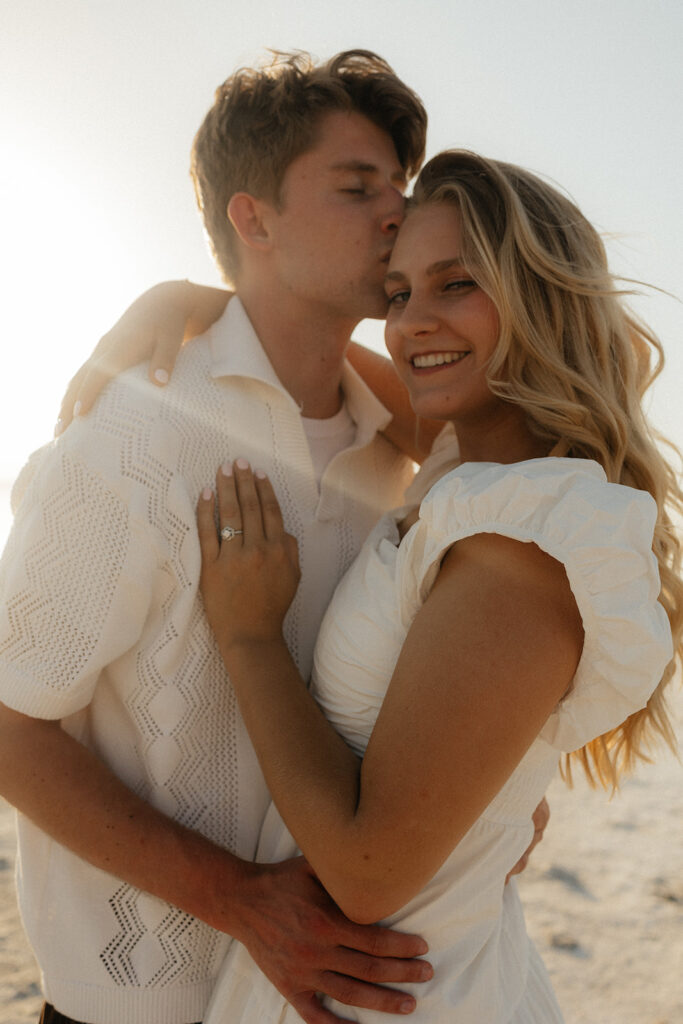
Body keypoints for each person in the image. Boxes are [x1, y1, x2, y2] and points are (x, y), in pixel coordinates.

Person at [0, 50, 443, 1024]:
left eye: (401, 190)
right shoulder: (133, 436)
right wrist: (238, 902)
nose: (395, 215)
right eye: (356, 186)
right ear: (254, 219)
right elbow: (8, 723)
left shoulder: (399, 460)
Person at [192, 151, 680, 1021]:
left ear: (538, 296)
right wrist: (183, 306)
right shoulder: (473, 462)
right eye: (397, 294)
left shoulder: (519, 544)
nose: (412, 323)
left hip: (410, 994)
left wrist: (249, 637)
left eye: (455, 284)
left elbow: (367, 873)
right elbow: (331, 368)